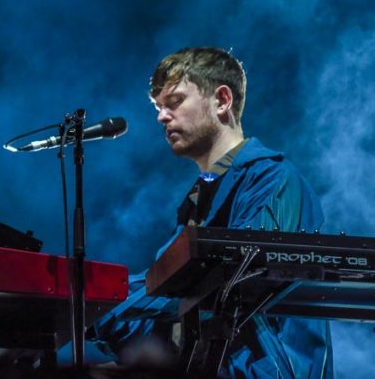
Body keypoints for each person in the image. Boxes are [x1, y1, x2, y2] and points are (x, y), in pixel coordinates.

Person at [88, 47, 333, 378]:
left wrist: (104, 305)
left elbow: (233, 282)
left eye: (174, 102)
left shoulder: (273, 178)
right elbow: (168, 312)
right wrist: (87, 304)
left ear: (222, 100)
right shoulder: (198, 199)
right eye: (158, 107)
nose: (161, 117)